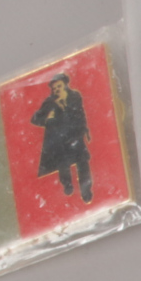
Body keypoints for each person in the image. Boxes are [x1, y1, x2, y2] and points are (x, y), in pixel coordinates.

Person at [30, 74, 92, 202]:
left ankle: (86, 191)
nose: (57, 89)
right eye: (54, 88)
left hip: (75, 136)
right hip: (60, 140)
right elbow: (35, 118)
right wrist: (47, 119)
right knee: (63, 165)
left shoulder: (75, 96)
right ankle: (67, 185)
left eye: (59, 86)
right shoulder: (49, 102)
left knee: (83, 162)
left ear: (65, 85)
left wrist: (84, 129)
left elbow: (80, 113)